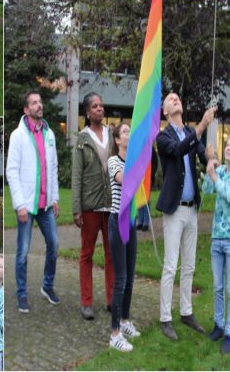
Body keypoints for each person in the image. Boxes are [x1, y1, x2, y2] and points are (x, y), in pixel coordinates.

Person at [156, 93, 216, 340]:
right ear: (165, 112)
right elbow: (181, 149)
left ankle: (186, 311)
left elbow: (201, 154)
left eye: (178, 97)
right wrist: (201, 126)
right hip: (174, 209)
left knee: (189, 265)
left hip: (192, 208)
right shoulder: (163, 137)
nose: (176, 99)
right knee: (171, 265)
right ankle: (165, 317)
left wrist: (212, 158)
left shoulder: (191, 132)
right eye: (170, 99)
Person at [6, 91, 60, 313]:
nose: (39, 105)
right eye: (34, 103)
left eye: (40, 101)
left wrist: (55, 197)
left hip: (46, 205)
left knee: (54, 245)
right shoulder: (17, 136)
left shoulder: (50, 135)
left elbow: (53, 168)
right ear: (26, 110)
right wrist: (19, 204)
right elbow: (11, 171)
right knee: (22, 253)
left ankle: (47, 286)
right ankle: (22, 294)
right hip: (27, 205)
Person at [202, 134, 230, 354]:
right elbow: (207, 191)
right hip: (216, 238)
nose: (228, 148)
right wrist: (211, 167)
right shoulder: (218, 171)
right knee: (218, 286)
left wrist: (214, 177)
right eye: (226, 145)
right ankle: (219, 326)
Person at [72, 92, 115, 320]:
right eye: (95, 106)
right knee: (87, 254)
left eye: (101, 105)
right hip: (90, 206)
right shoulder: (82, 138)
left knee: (111, 255)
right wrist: (76, 208)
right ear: (88, 112)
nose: (100, 109)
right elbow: (76, 175)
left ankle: (111, 300)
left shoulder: (111, 134)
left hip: (110, 205)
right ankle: (86, 302)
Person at [107, 123, 142, 352]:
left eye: (130, 131)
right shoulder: (114, 161)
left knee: (130, 277)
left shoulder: (134, 160)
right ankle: (114, 334)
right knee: (120, 279)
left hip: (130, 223)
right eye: (125, 132)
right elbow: (124, 180)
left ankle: (125, 320)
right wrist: (136, 161)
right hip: (117, 222)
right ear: (118, 140)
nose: (129, 134)